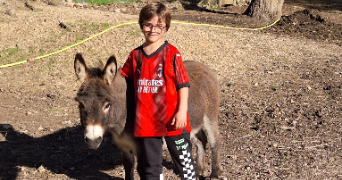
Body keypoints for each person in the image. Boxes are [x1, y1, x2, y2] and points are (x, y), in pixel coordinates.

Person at [120, 2, 196, 180]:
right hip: (146, 123)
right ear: (141, 25)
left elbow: (183, 84)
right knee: (150, 169)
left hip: (173, 120)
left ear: (166, 28)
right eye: (148, 24)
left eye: (159, 26)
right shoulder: (135, 56)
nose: (153, 29)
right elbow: (122, 78)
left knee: (185, 164)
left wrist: (182, 112)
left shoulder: (172, 53)